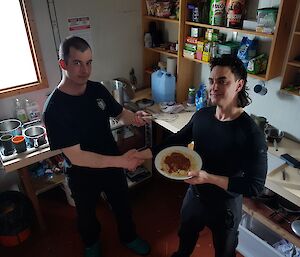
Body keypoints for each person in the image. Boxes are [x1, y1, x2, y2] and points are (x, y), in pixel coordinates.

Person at [43, 36, 151, 257]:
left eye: (89, 62)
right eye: (77, 63)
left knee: (122, 205)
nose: (85, 70)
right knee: (86, 215)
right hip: (82, 173)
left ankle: (129, 236)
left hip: (111, 164)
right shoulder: (54, 109)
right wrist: (122, 161)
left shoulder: (97, 91)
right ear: (62, 64)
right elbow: (78, 157)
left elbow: (120, 113)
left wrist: (135, 118)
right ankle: (91, 244)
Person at [160, 54, 267, 257]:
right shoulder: (203, 116)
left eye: (222, 81)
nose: (214, 87)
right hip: (195, 196)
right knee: (185, 239)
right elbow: (177, 140)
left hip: (226, 205)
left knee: (224, 252)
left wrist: (208, 178)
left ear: (238, 85)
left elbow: (255, 186)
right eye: (211, 81)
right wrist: (144, 153)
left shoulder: (251, 133)